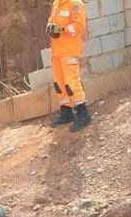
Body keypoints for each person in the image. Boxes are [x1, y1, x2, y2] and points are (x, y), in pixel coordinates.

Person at [47, 0, 91, 131]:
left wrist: (61, 30)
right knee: (59, 84)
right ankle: (66, 112)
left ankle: (83, 113)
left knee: (71, 83)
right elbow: (51, 20)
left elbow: (79, 26)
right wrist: (49, 27)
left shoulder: (76, 4)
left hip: (69, 50)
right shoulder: (56, 4)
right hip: (56, 51)